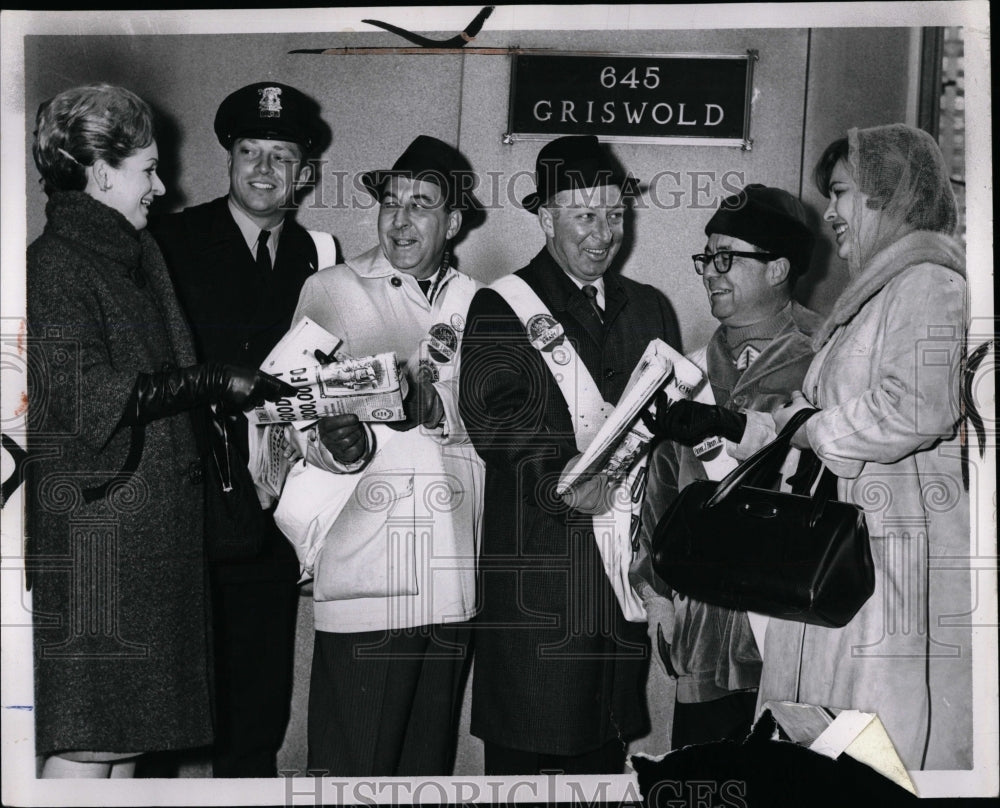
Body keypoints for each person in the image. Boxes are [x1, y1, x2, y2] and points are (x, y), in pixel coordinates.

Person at [26, 84, 290, 779]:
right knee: (89, 749)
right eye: (148, 168)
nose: (162, 185)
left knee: (122, 747)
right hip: (102, 546)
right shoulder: (56, 264)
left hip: (144, 539)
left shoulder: (128, 255)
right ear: (101, 170)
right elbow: (85, 399)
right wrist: (206, 381)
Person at [745, 124, 972, 769]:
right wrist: (776, 430)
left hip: (888, 562)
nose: (832, 213)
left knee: (875, 748)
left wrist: (813, 428)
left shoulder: (928, 283)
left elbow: (917, 406)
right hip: (851, 552)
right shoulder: (883, 290)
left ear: (889, 193)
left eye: (842, 193)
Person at [459, 135, 682, 776]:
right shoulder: (502, 305)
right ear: (546, 217)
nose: (604, 232)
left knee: (602, 754)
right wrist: (560, 480)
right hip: (543, 569)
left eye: (615, 215)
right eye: (586, 215)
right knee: (530, 754)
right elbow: (496, 420)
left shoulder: (650, 308)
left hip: (619, 577)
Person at [148, 81, 333, 777]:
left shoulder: (316, 256)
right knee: (169, 711)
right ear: (229, 159)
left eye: (280, 156)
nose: (263, 168)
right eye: (249, 151)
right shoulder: (172, 240)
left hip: (275, 508)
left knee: (255, 711)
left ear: (304, 173)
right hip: (190, 504)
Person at [283, 135, 483, 776]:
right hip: (369, 576)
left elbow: (503, 431)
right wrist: (335, 445)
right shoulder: (332, 290)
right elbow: (292, 420)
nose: (400, 219)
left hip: (453, 582)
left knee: (424, 776)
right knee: (352, 776)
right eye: (390, 201)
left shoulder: (482, 303)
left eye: (421, 204)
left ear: (452, 222)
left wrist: (440, 411)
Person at [629, 184, 821, 751]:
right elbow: (662, 488)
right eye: (706, 258)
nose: (710, 272)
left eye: (726, 258)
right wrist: (658, 593)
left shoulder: (828, 358)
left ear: (779, 267)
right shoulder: (689, 372)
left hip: (796, 628)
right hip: (707, 628)